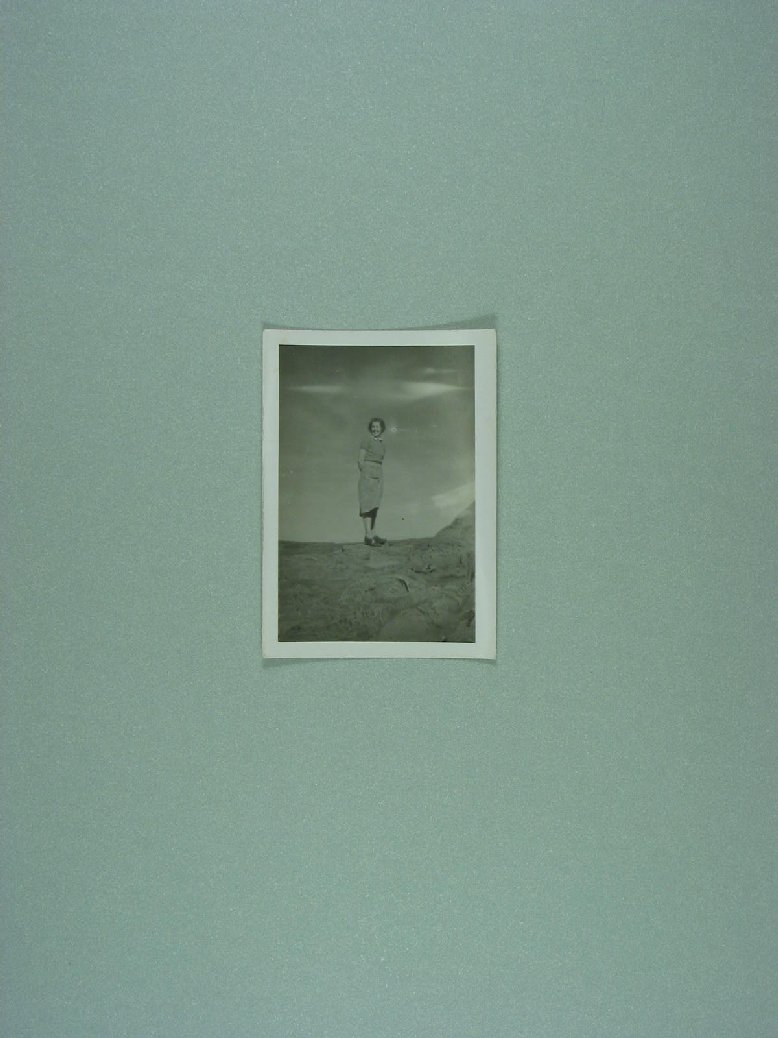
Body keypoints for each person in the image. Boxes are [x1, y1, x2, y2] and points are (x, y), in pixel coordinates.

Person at [357, 418, 388, 546]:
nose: (375, 429)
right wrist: (366, 474)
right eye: (373, 427)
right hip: (368, 471)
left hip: (378, 471)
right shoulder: (367, 439)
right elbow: (360, 460)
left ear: (382, 428)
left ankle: (373, 534)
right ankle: (368, 536)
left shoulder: (382, 444)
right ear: (371, 428)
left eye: (377, 427)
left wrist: (377, 473)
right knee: (367, 503)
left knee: (375, 504)